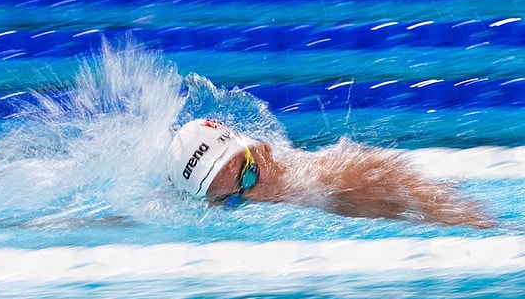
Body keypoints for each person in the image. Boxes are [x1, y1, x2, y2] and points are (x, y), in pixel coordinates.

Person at [166, 119, 494, 228]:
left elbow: (421, 193)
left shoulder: (336, 180)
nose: (252, 197)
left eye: (248, 176)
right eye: (229, 201)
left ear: (263, 149)